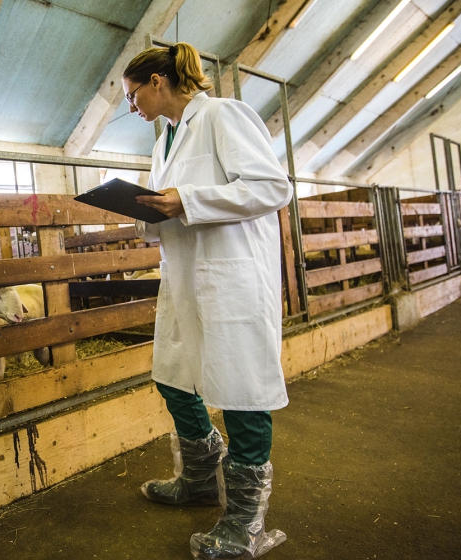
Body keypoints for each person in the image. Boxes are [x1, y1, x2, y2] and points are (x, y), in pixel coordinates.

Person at [124, 42, 293, 559]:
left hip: (232, 278)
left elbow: (271, 188)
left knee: (243, 391)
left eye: (134, 94)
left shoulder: (224, 116)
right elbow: (172, 209)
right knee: (171, 375)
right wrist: (146, 213)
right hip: (183, 277)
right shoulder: (163, 145)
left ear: (158, 81)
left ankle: (246, 520)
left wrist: (187, 200)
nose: (133, 106)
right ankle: (200, 476)